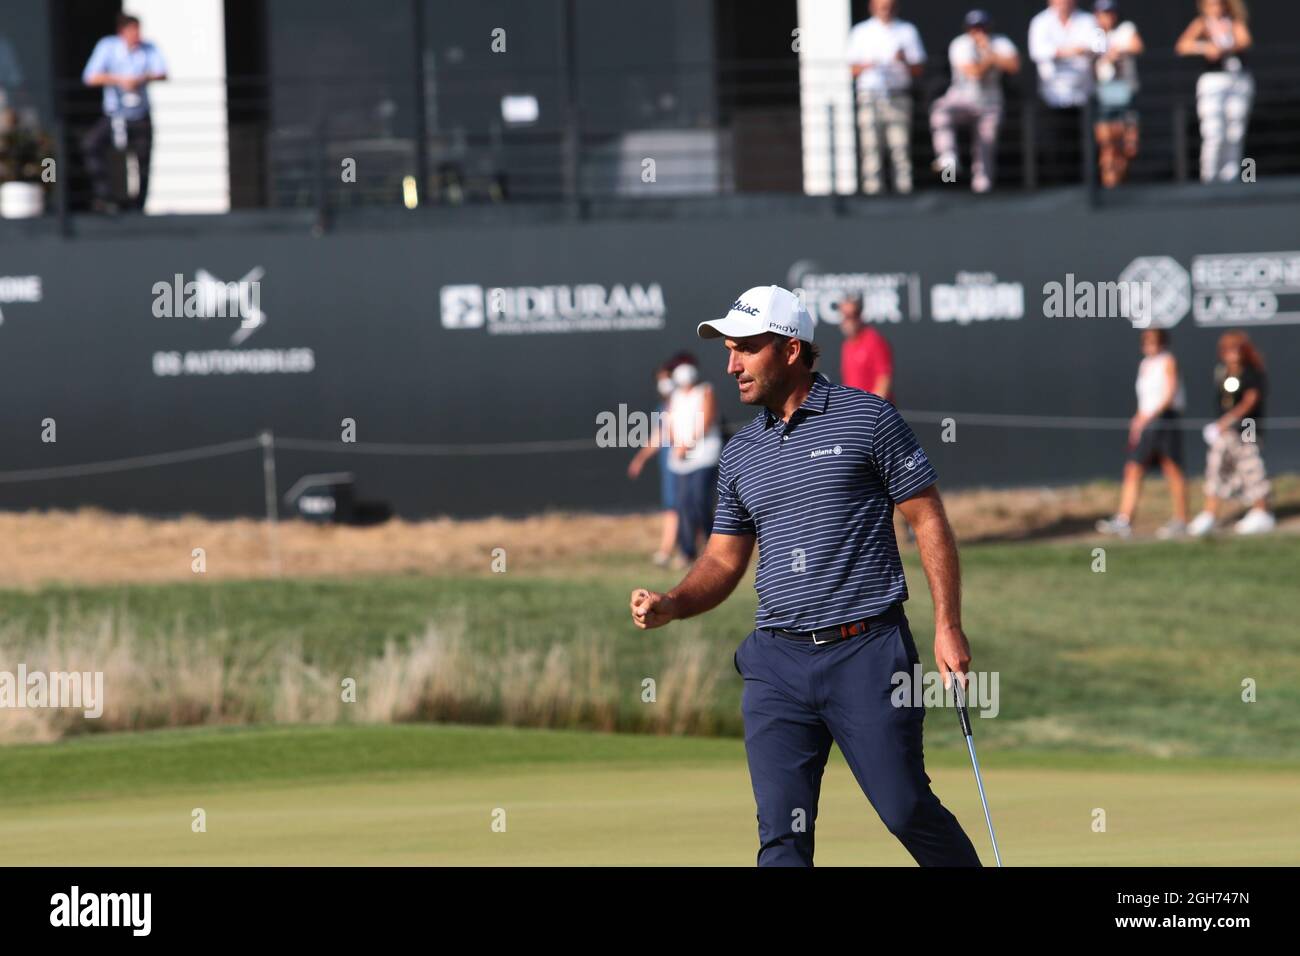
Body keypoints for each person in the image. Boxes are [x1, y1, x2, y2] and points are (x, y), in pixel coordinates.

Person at [630, 285, 982, 867]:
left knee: (904, 809)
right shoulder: (742, 452)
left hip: (866, 654)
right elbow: (722, 560)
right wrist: (674, 602)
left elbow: (928, 520)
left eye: (745, 348)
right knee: (782, 840)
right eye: (729, 350)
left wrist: (949, 624)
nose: (731, 364)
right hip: (777, 666)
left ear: (791, 350)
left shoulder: (868, 418)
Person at [1097, 328, 1189, 538]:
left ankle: (1182, 519)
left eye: (1154, 342)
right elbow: (1145, 399)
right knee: (1133, 469)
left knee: (1172, 468)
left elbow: (1169, 393)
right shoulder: (1145, 365)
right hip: (1146, 423)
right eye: (1146, 342)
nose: (1150, 346)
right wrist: (1138, 421)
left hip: (1164, 420)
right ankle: (1124, 519)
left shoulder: (1168, 361)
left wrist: (1149, 417)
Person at [1188, 331, 1275, 536]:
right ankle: (1209, 513)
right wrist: (1221, 425)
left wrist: (1228, 420)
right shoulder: (1223, 372)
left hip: (1248, 426)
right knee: (1216, 464)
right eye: (1228, 350)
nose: (1232, 354)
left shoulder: (1253, 372)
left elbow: (1250, 402)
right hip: (1226, 431)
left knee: (1250, 465)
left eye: (1236, 349)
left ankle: (1262, 511)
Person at [81, 13, 168, 212]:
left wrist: (141, 79)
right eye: (133, 31)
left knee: (143, 160)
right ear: (122, 32)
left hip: (140, 114)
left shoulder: (148, 48)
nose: (137, 35)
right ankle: (105, 196)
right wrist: (120, 80)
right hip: (114, 114)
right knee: (90, 145)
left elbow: (162, 72)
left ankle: (138, 205)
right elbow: (90, 76)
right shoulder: (108, 46)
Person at [929, 9, 1020, 194]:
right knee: (940, 111)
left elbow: (1014, 66)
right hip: (962, 100)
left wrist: (989, 50)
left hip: (990, 104)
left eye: (982, 28)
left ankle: (982, 189)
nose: (979, 32)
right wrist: (992, 58)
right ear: (967, 30)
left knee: (986, 145)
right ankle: (949, 167)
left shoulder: (1000, 42)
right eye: (974, 29)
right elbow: (975, 73)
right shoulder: (960, 45)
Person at [847, 0, 926, 196]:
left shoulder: (907, 31)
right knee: (871, 147)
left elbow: (919, 68)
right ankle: (873, 192)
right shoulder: (861, 31)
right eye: (882, 6)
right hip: (870, 95)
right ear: (872, 7)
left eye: (890, 7)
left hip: (898, 96)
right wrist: (871, 65)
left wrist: (903, 60)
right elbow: (852, 68)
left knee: (900, 147)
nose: (886, 11)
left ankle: (904, 190)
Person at [1176, 0, 1253, 184]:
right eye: (1211, 4)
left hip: (1236, 79)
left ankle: (1232, 178)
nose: (1215, 8)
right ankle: (1209, 178)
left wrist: (1225, 47)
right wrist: (1205, 47)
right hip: (1213, 81)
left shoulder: (1233, 22)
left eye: (1219, 4)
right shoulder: (1202, 23)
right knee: (1214, 132)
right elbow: (1182, 45)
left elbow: (1245, 40)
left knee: (1235, 132)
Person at [1028, 0, 1098, 185]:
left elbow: (1099, 46)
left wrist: (1063, 51)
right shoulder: (1039, 22)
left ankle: (1084, 188)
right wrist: (1073, 50)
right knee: (1056, 146)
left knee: (1084, 146)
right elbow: (1038, 51)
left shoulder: (1089, 20)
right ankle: (1059, 187)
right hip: (1052, 96)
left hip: (1084, 96)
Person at [665, 355, 722, 564]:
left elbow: (706, 421)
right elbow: (670, 424)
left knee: (700, 502)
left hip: (704, 457)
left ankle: (714, 548)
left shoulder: (705, 390)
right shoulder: (675, 396)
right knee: (683, 505)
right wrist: (676, 445)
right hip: (680, 461)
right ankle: (687, 551)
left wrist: (687, 445)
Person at [627, 362, 681, 567]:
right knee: (672, 507)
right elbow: (659, 436)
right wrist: (640, 458)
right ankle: (669, 550)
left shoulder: (687, 401)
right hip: (669, 464)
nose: (664, 383)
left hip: (686, 463)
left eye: (667, 377)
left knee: (685, 508)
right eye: (660, 380)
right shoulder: (662, 408)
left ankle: (679, 550)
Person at [1091, 0, 1144, 188]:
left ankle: (1120, 182)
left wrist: (1117, 51)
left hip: (1125, 94)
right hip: (1104, 95)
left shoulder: (1126, 29)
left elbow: (1137, 46)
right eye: (1103, 13)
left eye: (1111, 13)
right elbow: (1092, 54)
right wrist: (1105, 54)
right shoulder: (1094, 34)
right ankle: (1109, 185)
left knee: (1129, 147)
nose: (1108, 17)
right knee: (1107, 145)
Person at [837, 294, 895, 401]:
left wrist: (873, 410)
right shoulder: (846, 345)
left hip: (873, 412)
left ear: (860, 315)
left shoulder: (874, 341)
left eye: (854, 314)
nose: (849, 320)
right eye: (845, 315)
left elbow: (884, 379)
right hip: (854, 410)